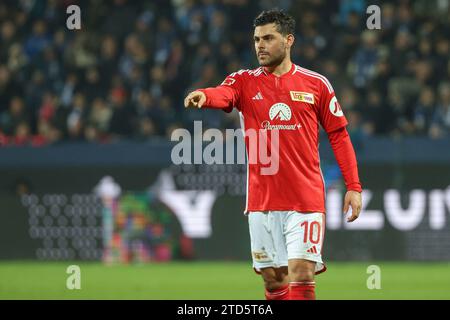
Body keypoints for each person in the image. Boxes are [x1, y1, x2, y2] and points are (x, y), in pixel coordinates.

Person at [184, 9, 362, 300]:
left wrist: (353, 186)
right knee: (274, 281)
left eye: (268, 38)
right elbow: (223, 94)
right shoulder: (244, 81)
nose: (260, 45)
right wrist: (205, 96)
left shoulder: (316, 84)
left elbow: (339, 135)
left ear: (289, 40)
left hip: (305, 199)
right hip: (262, 201)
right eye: (256, 39)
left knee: (302, 273)